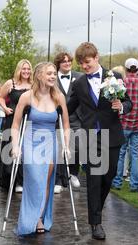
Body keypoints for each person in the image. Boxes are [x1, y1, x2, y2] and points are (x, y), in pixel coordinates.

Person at [67, 42, 132, 240]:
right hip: (90, 137)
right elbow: (69, 107)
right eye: (81, 64)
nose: (84, 67)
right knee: (94, 179)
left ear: (96, 57)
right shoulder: (78, 84)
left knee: (108, 177)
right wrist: (47, 109)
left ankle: (98, 209)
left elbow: (128, 102)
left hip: (111, 135)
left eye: (87, 62)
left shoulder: (114, 77)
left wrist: (121, 106)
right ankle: (95, 223)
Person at [11, 62, 70, 236]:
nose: (53, 76)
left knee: (44, 181)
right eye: (49, 73)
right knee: (35, 180)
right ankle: (34, 218)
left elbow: (66, 125)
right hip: (30, 142)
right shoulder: (26, 97)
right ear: (39, 75)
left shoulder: (58, 97)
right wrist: (15, 146)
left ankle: (39, 216)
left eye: (54, 74)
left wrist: (66, 145)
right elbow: (15, 125)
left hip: (50, 142)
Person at [112, 58, 138, 192]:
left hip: (122, 123)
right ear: (137, 69)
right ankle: (134, 184)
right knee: (136, 155)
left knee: (120, 154)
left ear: (126, 69)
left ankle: (117, 182)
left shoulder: (121, 84)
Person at [0, 59, 33, 193]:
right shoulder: (10, 83)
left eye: (28, 69)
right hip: (12, 120)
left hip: (28, 120)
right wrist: (5, 108)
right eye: (24, 69)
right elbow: (0, 97)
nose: (26, 71)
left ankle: (23, 180)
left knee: (26, 149)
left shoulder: (34, 85)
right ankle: (11, 179)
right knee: (11, 147)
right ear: (19, 70)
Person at [53, 51, 83, 193]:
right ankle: (58, 179)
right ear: (58, 64)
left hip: (76, 118)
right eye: (64, 61)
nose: (67, 63)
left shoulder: (79, 77)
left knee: (76, 146)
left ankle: (73, 173)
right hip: (58, 117)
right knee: (59, 148)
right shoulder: (52, 79)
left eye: (69, 61)